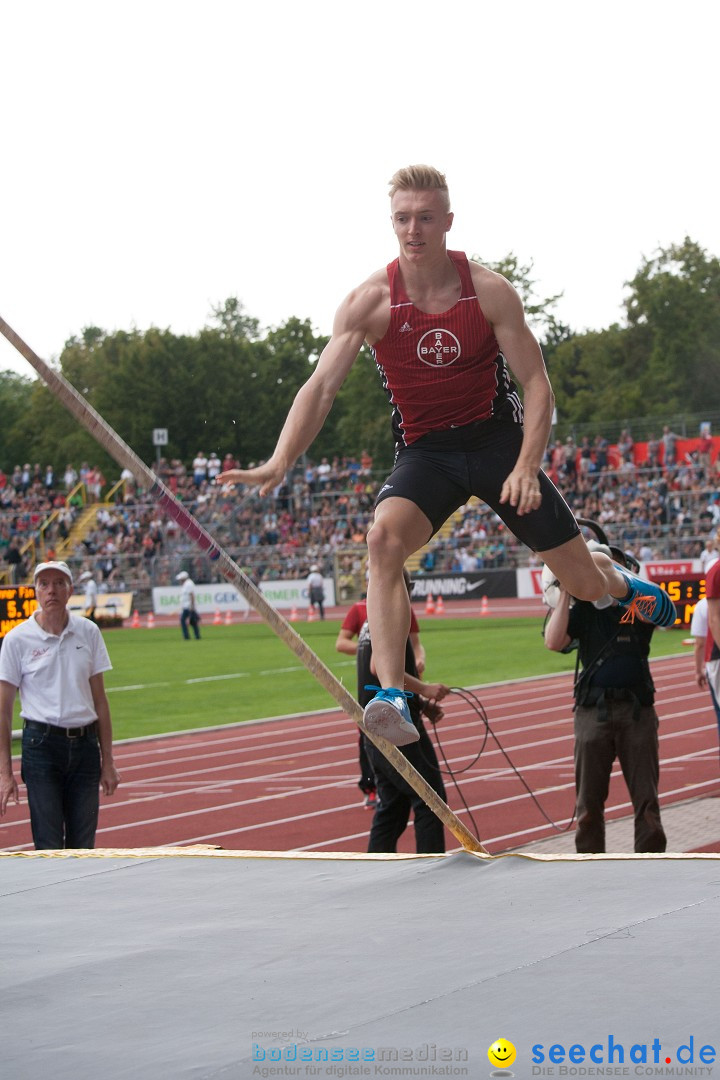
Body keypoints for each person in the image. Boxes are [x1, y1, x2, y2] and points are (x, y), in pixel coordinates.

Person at [216, 164, 676, 747]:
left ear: (448, 222)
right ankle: (390, 696)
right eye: (403, 218)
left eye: (426, 218)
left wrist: (527, 465)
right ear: (392, 223)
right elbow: (321, 386)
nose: (414, 230)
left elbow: (537, 384)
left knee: (586, 588)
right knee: (382, 540)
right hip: (427, 451)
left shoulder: (488, 291)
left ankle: (620, 581)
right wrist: (281, 460)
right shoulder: (369, 302)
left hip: (497, 442)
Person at [543, 546, 666, 854]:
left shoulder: (638, 605)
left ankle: (652, 867)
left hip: (636, 709)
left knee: (647, 802)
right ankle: (589, 869)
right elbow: (553, 641)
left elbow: (661, 611)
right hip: (592, 710)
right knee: (587, 806)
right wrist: (568, 591)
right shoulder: (584, 611)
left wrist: (625, 586)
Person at [0, 561, 120, 849]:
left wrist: (109, 761)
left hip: (85, 748)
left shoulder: (88, 632)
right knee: (49, 844)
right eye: (44, 584)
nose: (51, 590)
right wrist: (5, 773)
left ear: (70, 590)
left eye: (58, 583)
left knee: (83, 844)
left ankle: (80, 895)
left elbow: (100, 701)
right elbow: (3, 711)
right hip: (41, 747)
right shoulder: (17, 640)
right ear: (36, 592)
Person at [357, 572, 450, 853]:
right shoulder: (391, 615)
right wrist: (425, 689)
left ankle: (376, 869)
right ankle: (433, 870)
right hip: (397, 727)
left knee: (392, 807)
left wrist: (420, 704)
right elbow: (379, 668)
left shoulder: (371, 618)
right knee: (431, 801)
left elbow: (378, 679)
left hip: (377, 723)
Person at [336, 570, 426, 807]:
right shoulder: (360, 610)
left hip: (392, 694)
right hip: (381, 696)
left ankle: (380, 789)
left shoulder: (403, 608)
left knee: (393, 802)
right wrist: (373, 648)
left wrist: (419, 659)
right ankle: (370, 786)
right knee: (420, 794)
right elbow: (341, 643)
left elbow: (416, 644)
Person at [176, 570, 201, 640]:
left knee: (183, 620)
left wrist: (192, 606)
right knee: (193, 621)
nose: (180, 580)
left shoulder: (188, 584)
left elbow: (191, 595)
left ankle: (186, 636)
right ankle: (196, 635)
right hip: (186, 606)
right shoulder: (186, 584)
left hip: (188, 606)